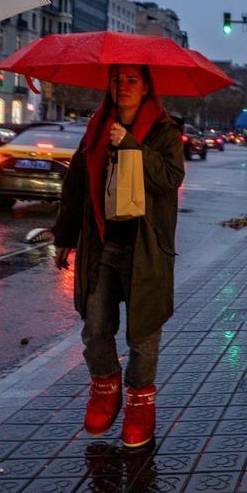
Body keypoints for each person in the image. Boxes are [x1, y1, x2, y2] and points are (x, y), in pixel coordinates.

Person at [52, 65, 184, 449]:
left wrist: (131, 145)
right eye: (116, 79)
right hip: (101, 244)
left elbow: (169, 178)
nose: (122, 87)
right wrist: (64, 235)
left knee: (142, 333)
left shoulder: (165, 131)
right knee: (95, 327)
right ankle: (105, 385)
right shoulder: (97, 127)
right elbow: (76, 184)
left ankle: (140, 403)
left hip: (146, 250)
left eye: (131, 80)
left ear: (145, 87)